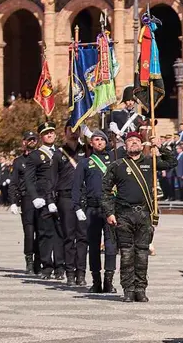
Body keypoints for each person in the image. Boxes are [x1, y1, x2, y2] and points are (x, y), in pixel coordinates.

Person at [102, 131, 176, 303]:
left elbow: (172, 162)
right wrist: (109, 212)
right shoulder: (117, 165)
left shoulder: (151, 162)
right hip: (124, 214)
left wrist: (160, 146)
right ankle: (128, 289)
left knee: (142, 254)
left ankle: (140, 289)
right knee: (127, 254)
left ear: (142, 145)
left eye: (137, 140)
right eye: (130, 141)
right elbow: (105, 191)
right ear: (125, 145)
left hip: (144, 214)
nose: (134, 143)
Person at [72, 130, 119, 294]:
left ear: (106, 143)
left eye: (102, 140)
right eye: (96, 140)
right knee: (93, 245)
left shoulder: (114, 160)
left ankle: (109, 281)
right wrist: (77, 207)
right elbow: (76, 186)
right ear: (91, 143)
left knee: (111, 245)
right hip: (92, 208)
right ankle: (96, 281)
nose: (99, 142)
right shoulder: (85, 163)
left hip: (111, 208)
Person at [24, 121, 64, 280]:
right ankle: (47, 266)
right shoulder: (35, 155)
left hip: (59, 197)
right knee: (45, 234)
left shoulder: (61, 153)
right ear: (41, 137)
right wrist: (34, 197)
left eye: (52, 132)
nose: (50, 135)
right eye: (46, 133)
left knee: (60, 233)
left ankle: (60, 267)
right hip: (42, 198)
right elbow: (29, 179)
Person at [53, 131, 86, 286]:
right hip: (65, 197)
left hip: (83, 197)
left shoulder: (86, 150)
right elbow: (52, 179)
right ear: (65, 133)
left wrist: (89, 133)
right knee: (68, 237)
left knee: (82, 238)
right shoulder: (58, 154)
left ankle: (81, 273)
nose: (73, 133)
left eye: (76, 129)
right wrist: (49, 200)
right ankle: (70, 273)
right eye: (70, 130)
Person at [8, 131, 38, 273]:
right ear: (24, 142)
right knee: (29, 231)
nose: (32, 142)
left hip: (42, 198)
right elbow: (13, 182)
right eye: (29, 140)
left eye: (34, 139)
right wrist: (13, 201)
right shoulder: (19, 161)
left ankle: (40, 261)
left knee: (42, 231)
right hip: (26, 199)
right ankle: (30, 261)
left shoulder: (41, 158)